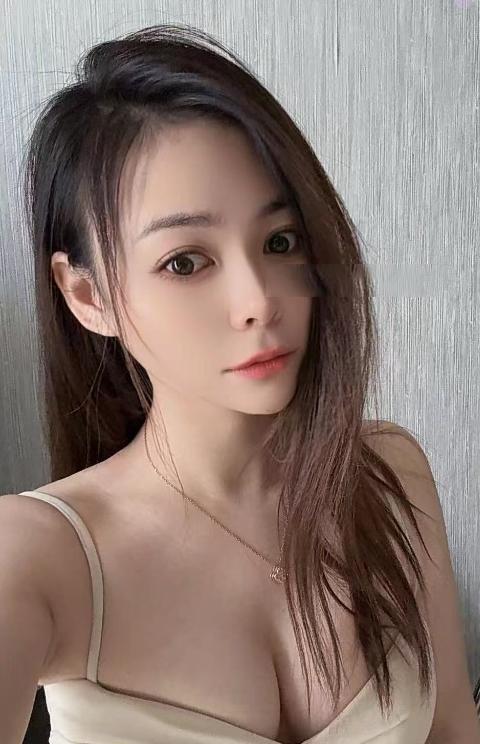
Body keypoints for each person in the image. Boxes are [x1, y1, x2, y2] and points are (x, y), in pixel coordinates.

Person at [1, 22, 478, 744]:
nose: (260, 300)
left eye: (280, 242)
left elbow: (452, 730)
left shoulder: (389, 475)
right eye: (186, 262)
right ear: (87, 295)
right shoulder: (36, 556)